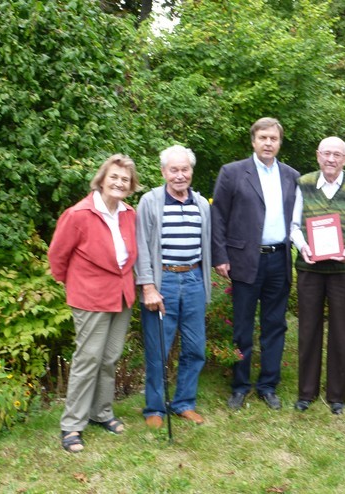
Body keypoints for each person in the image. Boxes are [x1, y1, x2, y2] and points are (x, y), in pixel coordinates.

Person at [48, 154, 140, 453]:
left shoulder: (129, 213)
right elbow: (57, 256)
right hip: (91, 298)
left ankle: (101, 413)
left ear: (130, 186)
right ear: (101, 179)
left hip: (122, 295)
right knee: (88, 359)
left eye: (125, 179)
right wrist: (78, 285)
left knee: (110, 357)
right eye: (113, 177)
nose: (119, 182)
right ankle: (72, 425)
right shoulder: (79, 214)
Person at [212, 117, 300, 411]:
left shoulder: (291, 176)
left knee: (275, 325)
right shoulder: (233, 173)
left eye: (273, 139)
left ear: (279, 143)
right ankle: (239, 385)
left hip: (279, 259)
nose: (268, 143)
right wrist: (220, 255)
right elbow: (218, 216)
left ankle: (268, 385)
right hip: (244, 260)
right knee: (242, 327)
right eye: (263, 138)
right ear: (253, 141)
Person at [290, 137, 345, 415]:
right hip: (311, 268)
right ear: (317, 156)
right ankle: (306, 392)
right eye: (326, 153)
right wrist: (302, 246)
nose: (331, 159)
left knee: (342, 330)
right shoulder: (304, 183)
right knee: (308, 329)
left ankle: (337, 396)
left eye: (337, 155)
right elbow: (294, 225)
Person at [135, 144, 211, 428]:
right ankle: (154, 408)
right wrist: (148, 286)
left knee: (195, 348)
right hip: (162, 280)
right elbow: (141, 246)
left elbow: (207, 247)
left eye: (185, 169)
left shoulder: (202, 204)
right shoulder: (150, 201)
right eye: (174, 170)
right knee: (158, 349)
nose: (180, 175)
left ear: (191, 171)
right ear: (164, 172)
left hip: (192, 280)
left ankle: (184, 403)